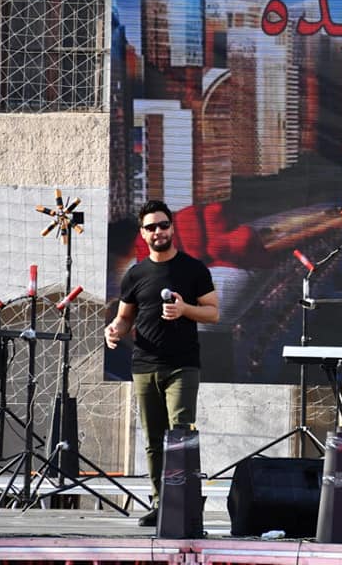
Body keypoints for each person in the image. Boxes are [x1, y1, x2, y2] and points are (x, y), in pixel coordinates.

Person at [104, 200, 220, 526]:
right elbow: (125, 317)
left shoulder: (194, 269)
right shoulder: (135, 274)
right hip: (144, 366)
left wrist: (185, 310)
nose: (158, 232)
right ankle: (160, 503)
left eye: (163, 225)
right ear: (143, 234)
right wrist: (114, 330)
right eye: (151, 227)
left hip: (182, 365)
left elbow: (213, 312)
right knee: (154, 441)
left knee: (180, 434)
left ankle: (184, 504)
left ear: (172, 227)